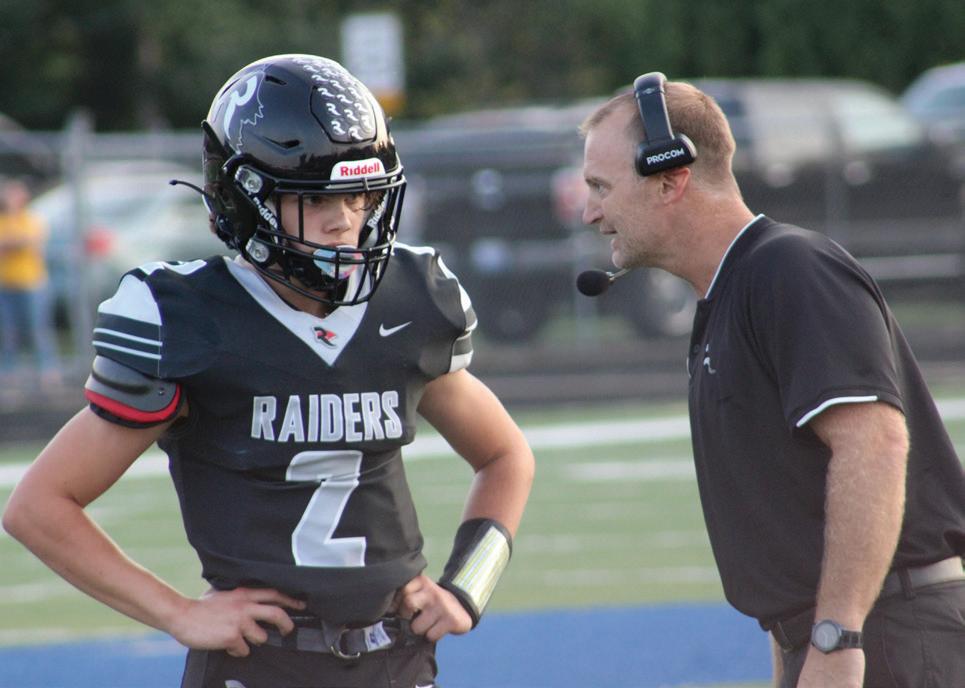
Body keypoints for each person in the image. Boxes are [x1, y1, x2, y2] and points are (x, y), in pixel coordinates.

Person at [2, 54, 534, 688]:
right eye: (314, 198)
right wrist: (177, 613)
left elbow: (505, 456)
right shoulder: (188, 319)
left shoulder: (409, 300)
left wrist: (467, 587)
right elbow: (39, 506)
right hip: (261, 665)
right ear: (245, 201)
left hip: (397, 658)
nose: (345, 219)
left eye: (358, 195)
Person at [579, 74, 965, 688]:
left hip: (887, 635)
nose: (589, 211)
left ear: (670, 179)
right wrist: (798, 649)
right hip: (843, 636)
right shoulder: (729, 296)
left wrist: (837, 638)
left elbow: (874, 445)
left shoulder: (790, 268)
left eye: (601, 187)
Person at [0, 178, 59, 385]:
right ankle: (8, 372)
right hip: (6, 284)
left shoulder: (32, 219)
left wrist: (11, 243)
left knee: (38, 330)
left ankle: (48, 370)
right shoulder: (3, 220)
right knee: (8, 332)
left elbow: (28, 241)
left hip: (32, 284)